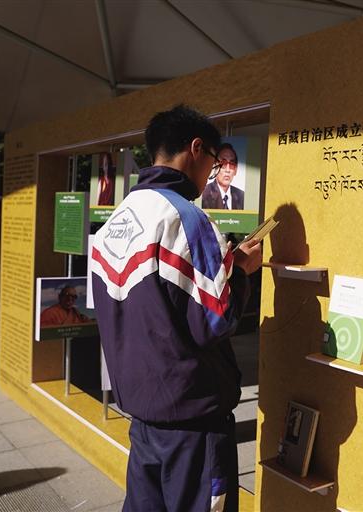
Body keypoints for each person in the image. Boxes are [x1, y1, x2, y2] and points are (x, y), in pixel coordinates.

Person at [90, 105, 262, 512]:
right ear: (196, 149)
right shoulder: (188, 219)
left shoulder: (116, 219)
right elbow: (215, 319)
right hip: (192, 421)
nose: (211, 175)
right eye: (214, 163)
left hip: (142, 415)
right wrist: (240, 271)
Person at [201, 143, 244, 210]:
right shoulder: (204, 194)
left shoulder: (241, 195)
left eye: (232, 164)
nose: (228, 170)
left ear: (236, 170)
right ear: (215, 166)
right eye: (223, 164)